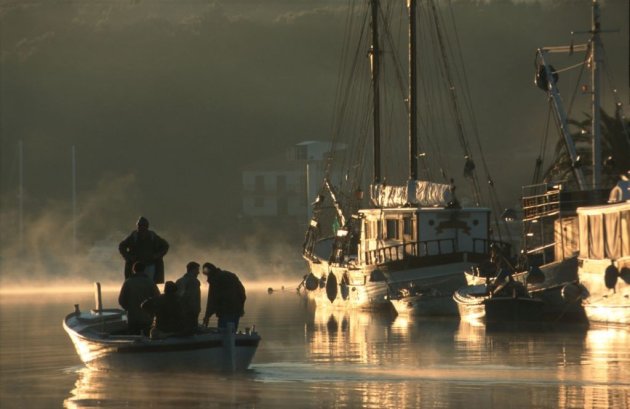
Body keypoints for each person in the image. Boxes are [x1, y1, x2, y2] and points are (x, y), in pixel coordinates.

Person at [118, 216, 169, 283]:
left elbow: (165, 246)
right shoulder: (134, 236)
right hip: (136, 266)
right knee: (135, 284)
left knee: (150, 283)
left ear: (147, 226)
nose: (141, 227)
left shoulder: (152, 236)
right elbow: (122, 246)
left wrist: (156, 255)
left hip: (150, 265)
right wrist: (128, 257)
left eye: (143, 225)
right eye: (140, 225)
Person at [202, 263, 246, 332]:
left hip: (224, 311)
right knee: (232, 333)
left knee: (223, 333)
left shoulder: (215, 279)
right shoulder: (231, 275)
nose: (207, 277)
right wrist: (241, 307)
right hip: (236, 310)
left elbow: (212, 299)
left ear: (209, 271)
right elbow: (242, 292)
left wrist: (207, 316)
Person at [118, 262, 160, 335]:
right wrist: (152, 311)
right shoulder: (150, 282)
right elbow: (158, 299)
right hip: (147, 318)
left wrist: (129, 309)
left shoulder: (128, 282)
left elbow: (121, 300)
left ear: (133, 270)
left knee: (133, 338)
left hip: (133, 317)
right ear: (144, 270)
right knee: (147, 337)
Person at [175, 261, 201, 330]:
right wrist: (196, 311)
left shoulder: (179, 281)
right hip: (191, 314)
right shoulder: (194, 281)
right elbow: (193, 299)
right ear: (193, 270)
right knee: (191, 333)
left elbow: (177, 297)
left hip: (180, 313)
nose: (198, 272)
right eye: (197, 270)